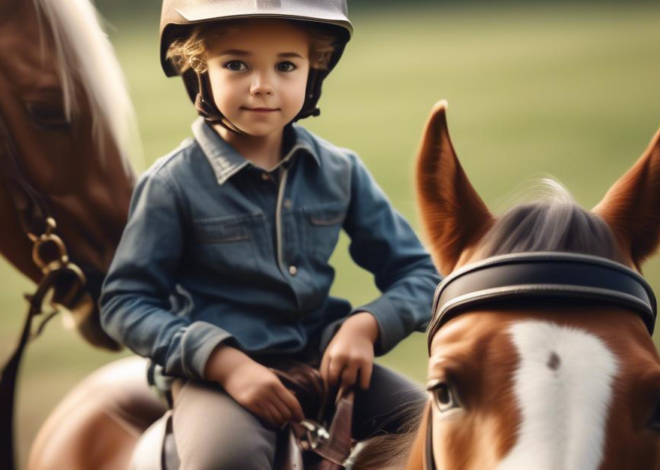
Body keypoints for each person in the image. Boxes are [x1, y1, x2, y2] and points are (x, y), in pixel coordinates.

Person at [99, 1, 441, 469]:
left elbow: (421, 274)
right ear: (199, 69)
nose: (263, 85)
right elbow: (124, 304)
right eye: (236, 64)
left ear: (314, 69)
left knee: (439, 430)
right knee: (227, 460)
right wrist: (225, 363)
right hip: (216, 380)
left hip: (326, 364)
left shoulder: (340, 172)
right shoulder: (170, 185)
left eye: (285, 65)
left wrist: (368, 326)